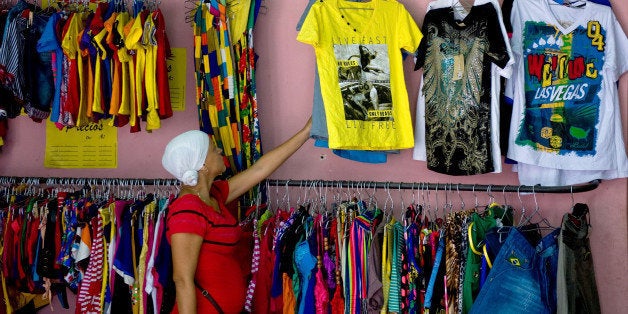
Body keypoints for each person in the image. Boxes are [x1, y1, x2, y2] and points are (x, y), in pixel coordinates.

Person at [161, 118, 312, 314]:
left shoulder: (213, 195)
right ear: (203, 165)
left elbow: (259, 170)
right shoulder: (187, 209)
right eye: (214, 149)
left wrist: (306, 132)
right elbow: (182, 280)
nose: (220, 152)